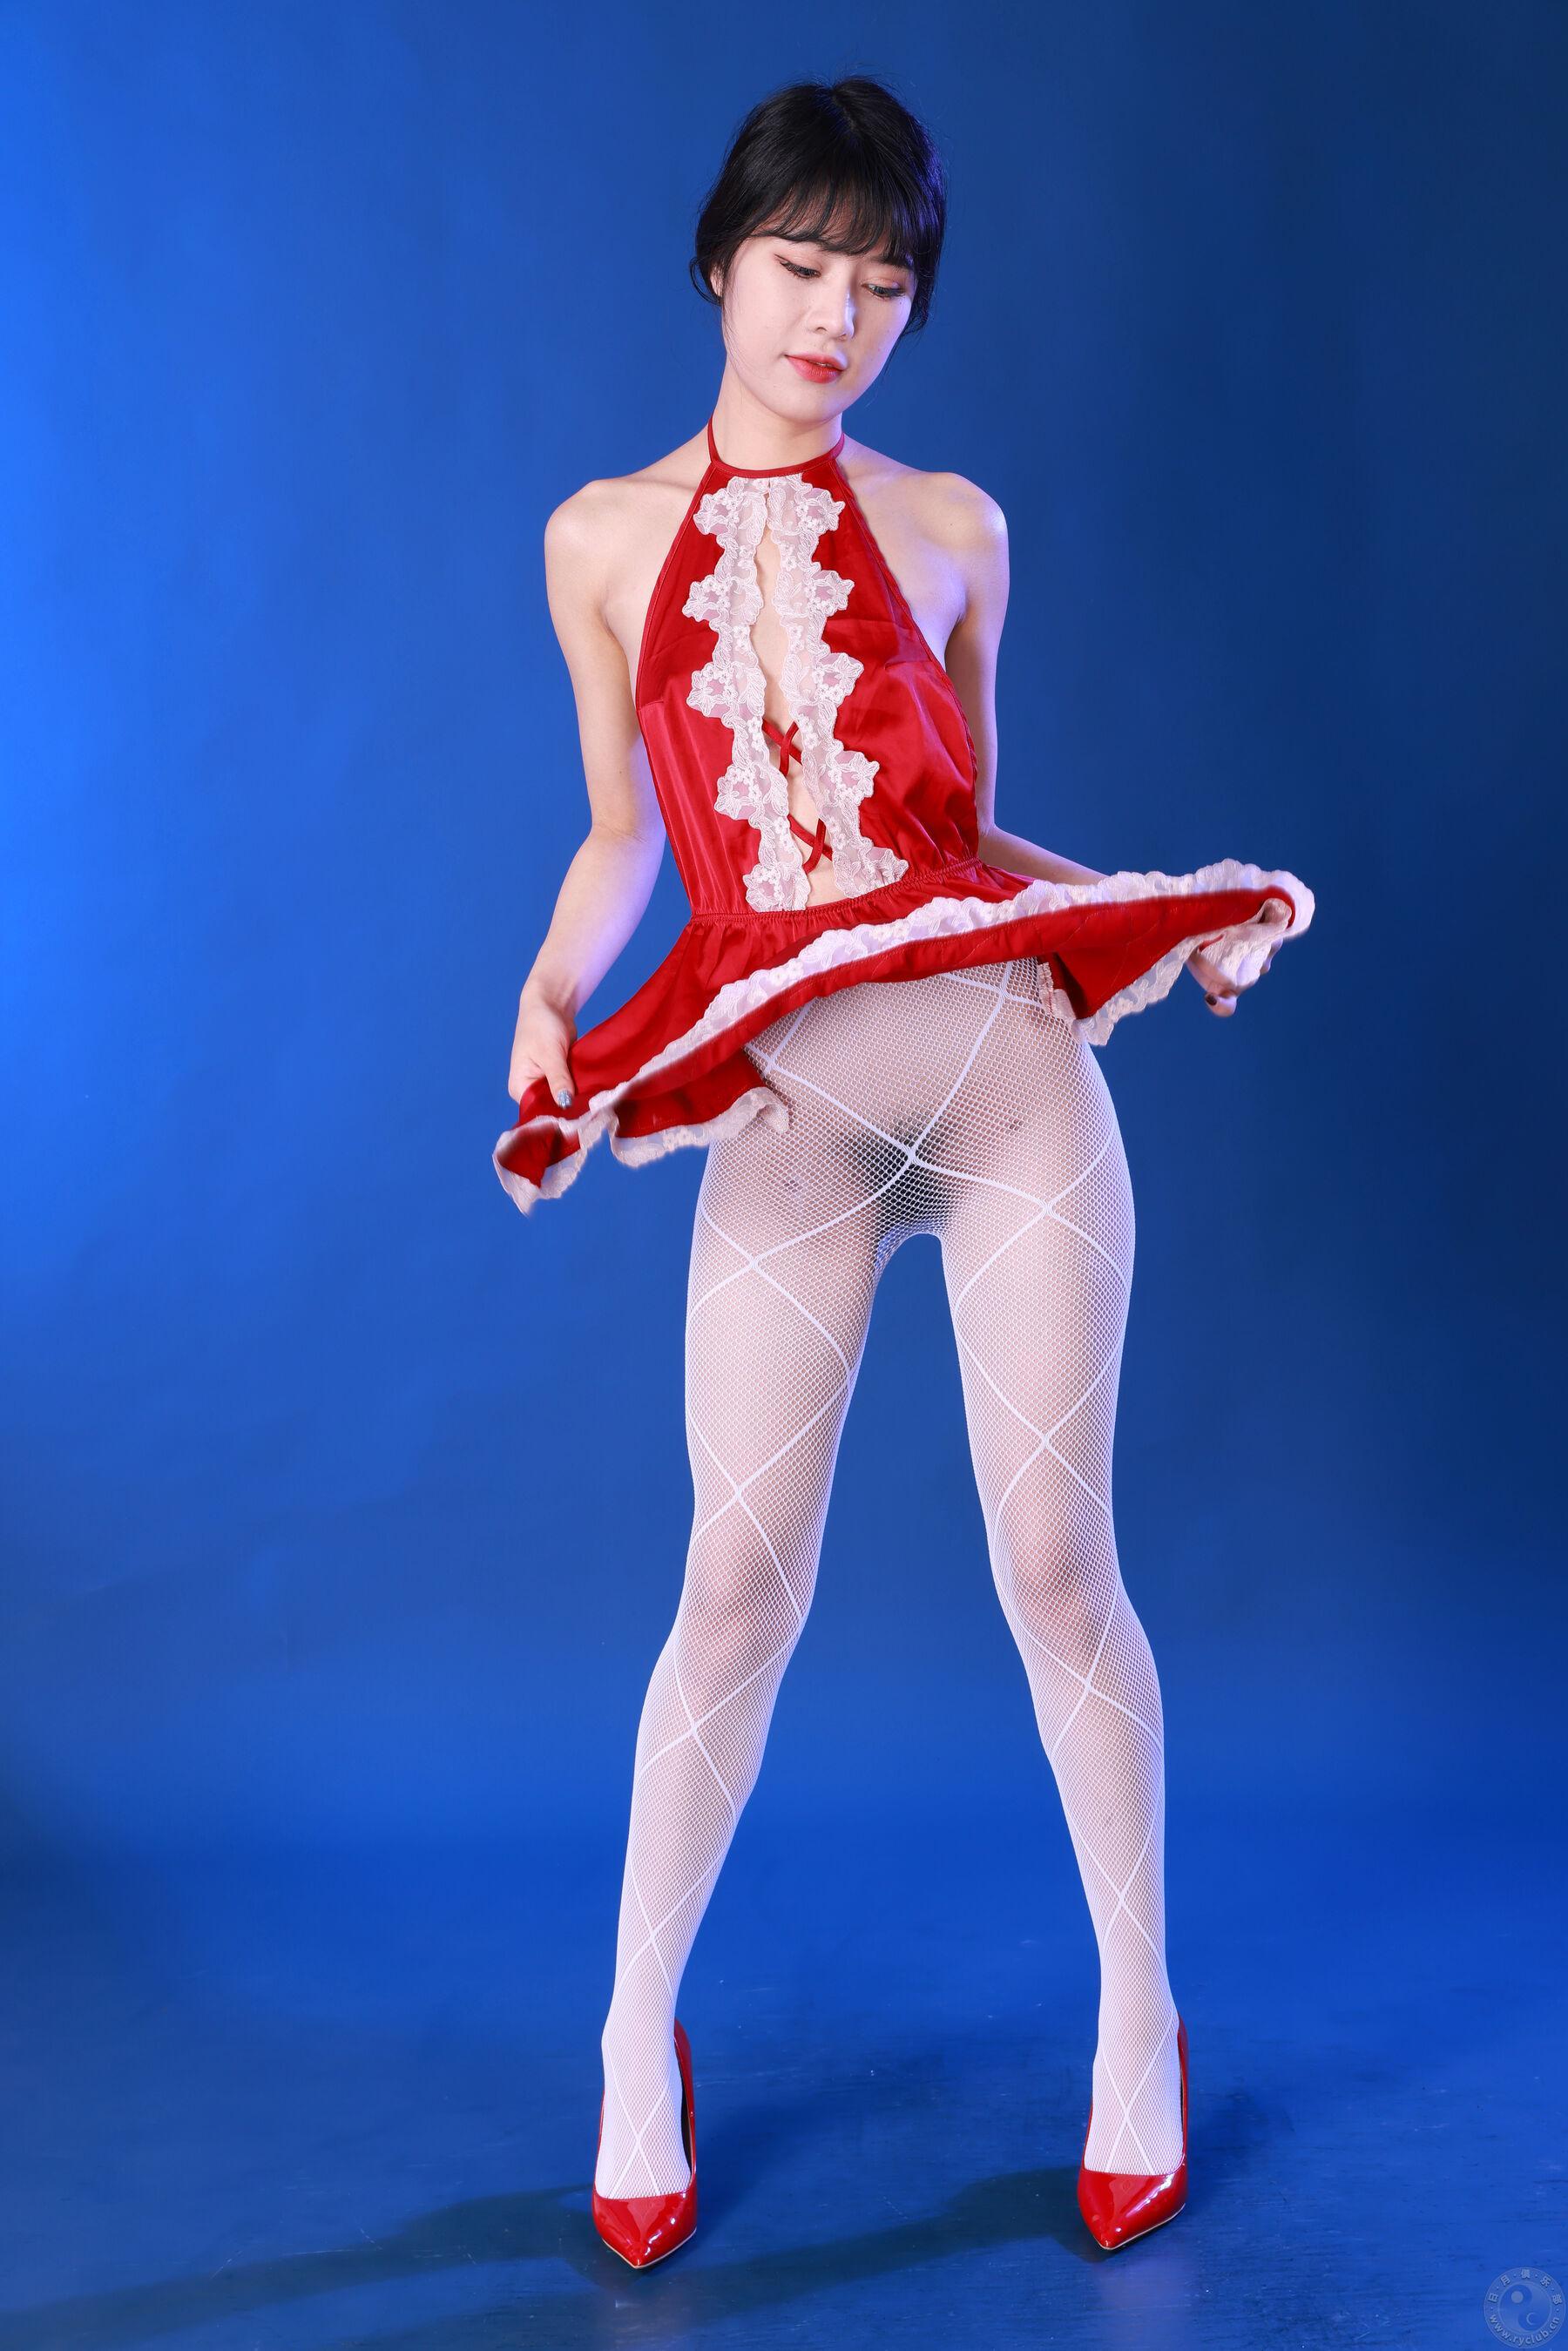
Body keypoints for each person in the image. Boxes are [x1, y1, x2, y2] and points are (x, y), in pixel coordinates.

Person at [493, 76, 1313, 2268]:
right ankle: (633, 2033)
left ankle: (1138, 2023)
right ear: (718, 264)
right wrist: (550, 998)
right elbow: (626, 837)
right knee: (734, 1587)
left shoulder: (955, 525)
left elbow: (954, 849)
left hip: (1012, 1080)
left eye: (879, 283)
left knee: (1056, 1565)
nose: (834, 317)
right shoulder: (599, 540)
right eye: (799, 266)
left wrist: (1159, 919)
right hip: (787, 1118)